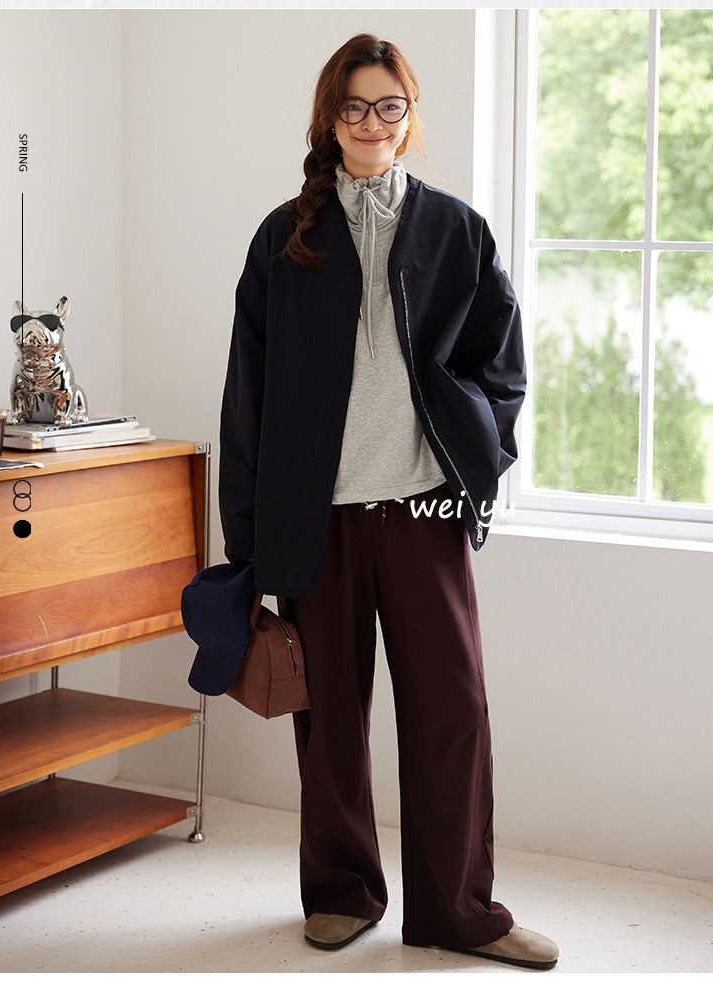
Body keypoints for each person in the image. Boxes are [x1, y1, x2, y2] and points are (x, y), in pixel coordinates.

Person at [219, 33, 559, 971]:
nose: (373, 123)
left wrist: (478, 460)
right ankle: (341, 893)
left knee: (454, 712)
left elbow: (501, 370)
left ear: (410, 116)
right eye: (354, 107)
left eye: (389, 106)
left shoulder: (457, 231)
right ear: (329, 120)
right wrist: (247, 542)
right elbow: (247, 394)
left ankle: (458, 910)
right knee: (330, 719)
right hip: (316, 519)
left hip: (423, 512)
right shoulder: (284, 238)